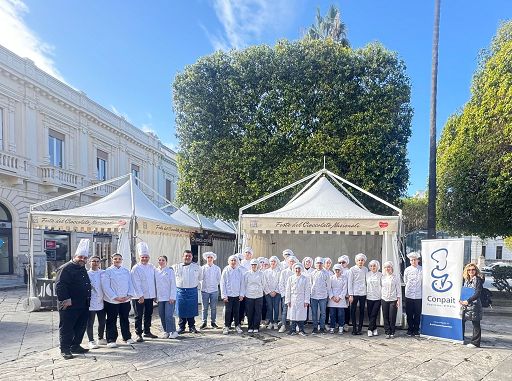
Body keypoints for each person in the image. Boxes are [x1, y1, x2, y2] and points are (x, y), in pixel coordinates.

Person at [55, 239, 92, 359]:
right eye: (80, 257)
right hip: (69, 304)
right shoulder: (65, 268)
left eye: (85, 258)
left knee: (80, 326)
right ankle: (65, 349)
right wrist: (65, 299)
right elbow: (60, 285)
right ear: (74, 256)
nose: (82, 259)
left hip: (83, 303)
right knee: (67, 327)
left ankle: (75, 345)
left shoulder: (82, 268)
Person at [102, 253, 136, 347]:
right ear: (112, 259)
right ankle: (111, 339)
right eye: (115, 259)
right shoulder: (107, 271)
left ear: (122, 260)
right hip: (112, 301)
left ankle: (127, 337)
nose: (117, 260)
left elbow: (130, 284)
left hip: (125, 300)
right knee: (111, 320)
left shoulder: (126, 271)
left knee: (125, 319)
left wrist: (128, 296)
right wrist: (115, 297)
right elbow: (106, 286)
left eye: (119, 259)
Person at [131, 242, 157, 342]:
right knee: (138, 315)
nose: (144, 259)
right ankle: (138, 333)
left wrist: (154, 295)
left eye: (146, 257)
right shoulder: (136, 268)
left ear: (149, 257)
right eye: (143, 257)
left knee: (148, 314)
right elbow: (135, 283)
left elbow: (154, 281)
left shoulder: (151, 267)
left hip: (150, 296)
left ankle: (147, 331)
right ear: (139, 257)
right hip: (139, 297)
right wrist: (140, 295)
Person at [173, 250, 202, 334]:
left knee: (191, 309)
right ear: (183, 257)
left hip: (192, 290)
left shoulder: (197, 267)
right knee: (181, 309)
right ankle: (181, 327)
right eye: (186, 256)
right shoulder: (176, 266)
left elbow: (200, 277)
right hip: (180, 291)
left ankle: (192, 327)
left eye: (189, 256)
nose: (187, 257)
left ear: (192, 257)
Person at [460, 263, 484, 348]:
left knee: (475, 322)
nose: (471, 271)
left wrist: (468, 300)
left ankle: (475, 343)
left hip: (474, 304)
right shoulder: (465, 279)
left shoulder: (478, 280)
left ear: (476, 270)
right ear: (466, 271)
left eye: (473, 269)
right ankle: (460, 338)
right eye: (469, 270)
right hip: (465, 303)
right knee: (461, 321)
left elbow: (478, 293)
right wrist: (461, 300)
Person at [220, 255, 245, 334]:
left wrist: (241, 294)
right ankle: (226, 326)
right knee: (228, 311)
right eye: (232, 260)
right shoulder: (226, 270)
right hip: (228, 296)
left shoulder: (239, 271)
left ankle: (237, 325)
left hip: (237, 295)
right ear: (229, 261)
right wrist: (224, 295)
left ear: (237, 262)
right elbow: (222, 283)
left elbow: (242, 283)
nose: (233, 262)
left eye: (235, 260)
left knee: (236, 311)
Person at [155, 255, 178, 339]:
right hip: (160, 297)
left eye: (163, 260)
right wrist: (155, 296)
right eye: (159, 260)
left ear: (166, 262)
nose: (161, 262)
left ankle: (174, 331)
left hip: (169, 297)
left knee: (168, 315)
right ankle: (166, 331)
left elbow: (173, 284)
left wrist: (172, 296)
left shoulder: (170, 271)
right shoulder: (156, 271)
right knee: (162, 315)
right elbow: (155, 285)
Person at [86, 255, 106, 349]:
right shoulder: (86, 274)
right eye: (93, 261)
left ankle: (100, 338)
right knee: (90, 322)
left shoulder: (103, 273)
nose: (95, 263)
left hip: (101, 300)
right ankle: (91, 340)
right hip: (90, 302)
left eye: (97, 261)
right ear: (89, 263)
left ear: (100, 263)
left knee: (102, 321)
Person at [285, 263, 310, 336]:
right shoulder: (290, 278)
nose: (297, 270)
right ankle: (292, 330)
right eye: (296, 268)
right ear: (294, 269)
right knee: (292, 314)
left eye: (299, 269)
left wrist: (306, 301)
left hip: (301, 298)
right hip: (292, 298)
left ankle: (301, 330)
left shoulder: (305, 279)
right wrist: (288, 300)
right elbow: (288, 290)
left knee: (301, 314)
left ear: (301, 269)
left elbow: (307, 290)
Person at [242, 258, 265, 333]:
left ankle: (256, 327)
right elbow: (244, 284)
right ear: (250, 265)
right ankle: (250, 327)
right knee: (250, 312)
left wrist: (259, 290)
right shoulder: (247, 274)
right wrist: (245, 294)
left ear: (257, 265)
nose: (254, 266)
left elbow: (264, 284)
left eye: (255, 265)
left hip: (259, 296)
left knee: (258, 312)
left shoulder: (261, 274)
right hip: (249, 296)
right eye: (252, 265)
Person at [200, 251, 221, 329]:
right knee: (204, 307)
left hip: (214, 290)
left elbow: (219, 279)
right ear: (206, 258)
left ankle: (213, 322)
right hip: (204, 290)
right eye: (208, 257)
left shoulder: (217, 268)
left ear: (213, 259)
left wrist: (214, 284)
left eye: (211, 257)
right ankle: (204, 322)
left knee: (213, 307)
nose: (209, 259)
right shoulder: (202, 268)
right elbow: (200, 278)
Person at [348, 253, 368, 335]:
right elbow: (350, 282)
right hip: (354, 293)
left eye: (362, 260)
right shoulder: (352, 269)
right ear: (356, 261)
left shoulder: (366, 269)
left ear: (364, 261)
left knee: (362, 311)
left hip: (363, 293)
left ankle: (360, 328)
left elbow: (366, 281)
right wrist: (350, 295)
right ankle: (354, 328)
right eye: (359, 260)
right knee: (353, 310)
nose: (360, 262)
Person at [310, 257, 331, 334]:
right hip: (313, 296)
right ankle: (315, 328)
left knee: (323, 313)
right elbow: (310, 284)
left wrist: (327, 294)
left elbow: (328, 285)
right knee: (314, 312)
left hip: (323, 296)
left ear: (323, 264)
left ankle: (322, 328)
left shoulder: (326, 273)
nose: (319, 264)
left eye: (320, 263)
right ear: (315, 264)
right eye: (317, 263)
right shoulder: (312, 273)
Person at [404, 251, 422, 336]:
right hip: (409, 295)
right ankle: (410, 329)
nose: (413, 261)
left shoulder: (422, 269)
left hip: (418, 295)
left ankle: (416, 329)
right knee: (409, 313)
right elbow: (405, 281)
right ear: (410, 261)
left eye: (415, 260)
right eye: (411, 260)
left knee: (417, 313)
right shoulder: (407, 270)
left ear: (418, 260)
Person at [278, 255, 298, 332]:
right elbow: (281, 284)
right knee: (285, 310)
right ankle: (283, 325)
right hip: (286, 295)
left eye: (293, 261)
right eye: (290, 261)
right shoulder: (284, 272)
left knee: (294, 310)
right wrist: (284, 294)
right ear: (288, 262)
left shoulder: (297, 271)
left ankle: (294, 325)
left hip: (295, 295)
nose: (292, 263)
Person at [381, 261, 401, 339]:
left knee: (392, 316)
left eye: (389, 267)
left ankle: (392, 331)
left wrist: (398, 300)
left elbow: (398, 289)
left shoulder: (395, 277)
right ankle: (387, 331)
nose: (387, 269)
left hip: (393, 299)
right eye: (386, 267)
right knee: (385, 316)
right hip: (384, 298)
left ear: (391, 268)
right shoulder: (382, 277)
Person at [328, 264, 348, 334]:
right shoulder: (331, 278)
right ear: (334, 270)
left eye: (338, 270)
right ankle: (332, 327)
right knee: (332, 314)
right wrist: (332, 297)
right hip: (332, 299)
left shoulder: (344, 278)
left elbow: (345, 289)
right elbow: (329, 288)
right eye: (336, 270)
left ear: (341, 270)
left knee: (341, 314)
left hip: (341, 299)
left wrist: (340, 297)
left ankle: (341, 327)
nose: (337, 271)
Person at [263, 256, 281, 330]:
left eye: (274, 261)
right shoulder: (266, 272)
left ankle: (275, 322)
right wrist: (269, 292)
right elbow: (264, 283)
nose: (273, 263)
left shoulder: (280, 271)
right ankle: (271, 322)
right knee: (270, 308)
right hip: (268, 293)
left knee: (276, 307)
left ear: (276, 262)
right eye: (271, 261)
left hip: (277, 293)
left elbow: (280, 282)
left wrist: (275, 291)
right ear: (269, 262)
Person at [366, 259, 382, 337]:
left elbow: (383, 286)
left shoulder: (380, 275)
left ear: (377, 266)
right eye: (371, 266)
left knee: (374, 314)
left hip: (377, 297)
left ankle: (369, 329)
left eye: (374, 266)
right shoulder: (367, 274)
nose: (373, 267)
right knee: (370, 314)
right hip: (369, 297)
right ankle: (374, 328)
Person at [338, 255, 351, 331]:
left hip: (346, 294)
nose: (341, 264)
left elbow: (349, 283)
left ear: (347, 263)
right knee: (339, 309)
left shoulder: (348, 272)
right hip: (338, 294)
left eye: (343, 262)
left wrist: (348, 294)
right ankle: (339, 323)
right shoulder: (337, 270)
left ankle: (346, 324)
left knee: (346, 309)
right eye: (339, 262)